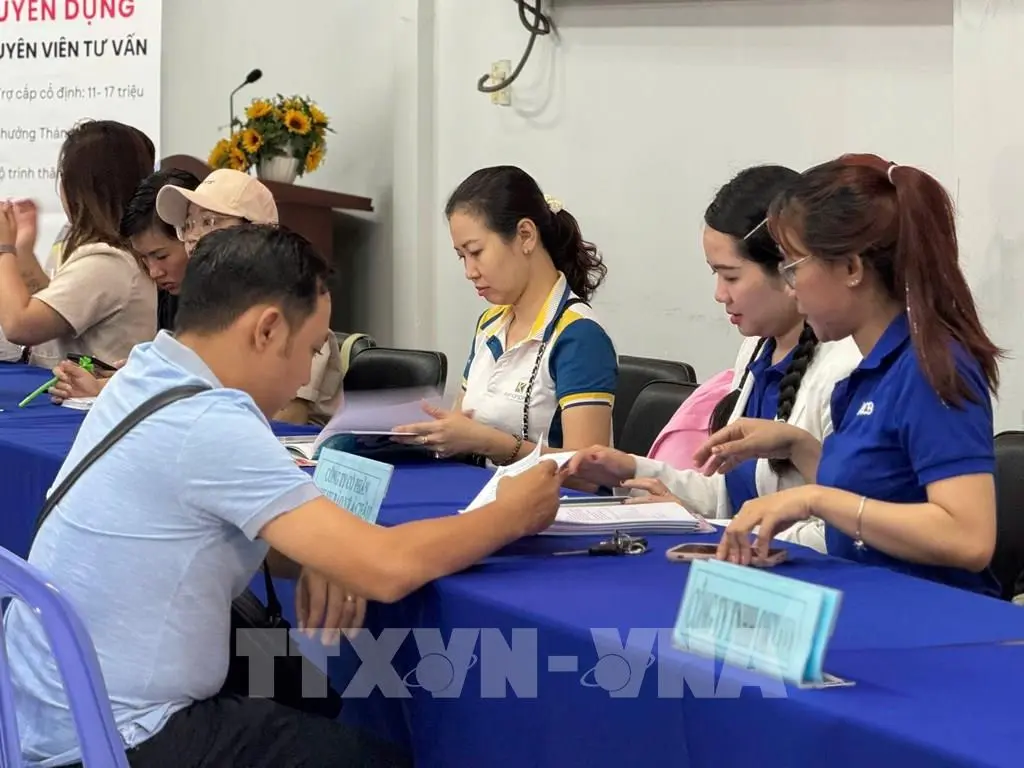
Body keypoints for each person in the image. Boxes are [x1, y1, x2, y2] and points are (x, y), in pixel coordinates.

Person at [3, 224, 567, 767]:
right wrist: (511, 512)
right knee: (372, 757)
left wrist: (324, 552)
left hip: (49, 710)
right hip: (115, 737)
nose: (304, 376)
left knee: (308, 691)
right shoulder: (208, 419)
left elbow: (275, 538)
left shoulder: (144, 375)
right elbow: (388, 568)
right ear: (267, 329)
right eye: (311, 348)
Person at [702, 154, 1002, 595]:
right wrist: (798, 445)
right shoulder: (865, 374)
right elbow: (885, 490)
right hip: (869, 604)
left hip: (935, 623)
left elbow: (968, 537)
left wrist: (813, 497)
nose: (789, 286)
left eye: (794, 266)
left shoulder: (929, 371)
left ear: (851, 269)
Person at [567, 166, 861, 551]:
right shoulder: (757, 348)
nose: (719, 294)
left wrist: (703, 527)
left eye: (731, 277)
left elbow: (839, 533)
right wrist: (633, 469)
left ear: (788, 268)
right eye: (715, 275)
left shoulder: (845, 369)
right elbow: (730, 495)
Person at [49, 169, 345, 427]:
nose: (192, 237)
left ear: (257, 232)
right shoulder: (204, 318)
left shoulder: (298, 325)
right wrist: (109, 387)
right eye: (189, 225)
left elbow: (281, 422)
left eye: (210, 221)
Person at [395, 165, 618, 465]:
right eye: (462, 256)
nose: (469, 272)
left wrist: (487, 442)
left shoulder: (579, 335)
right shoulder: (490, 323)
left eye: (476, 252)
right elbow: (466, 420)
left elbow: (590, 470)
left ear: (526, 235)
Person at [0, 120, 157, 370]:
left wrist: (4, 249)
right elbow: (57, 306)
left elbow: (20, 325)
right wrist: (22, 251)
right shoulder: (108, 252)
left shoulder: (107, 260)